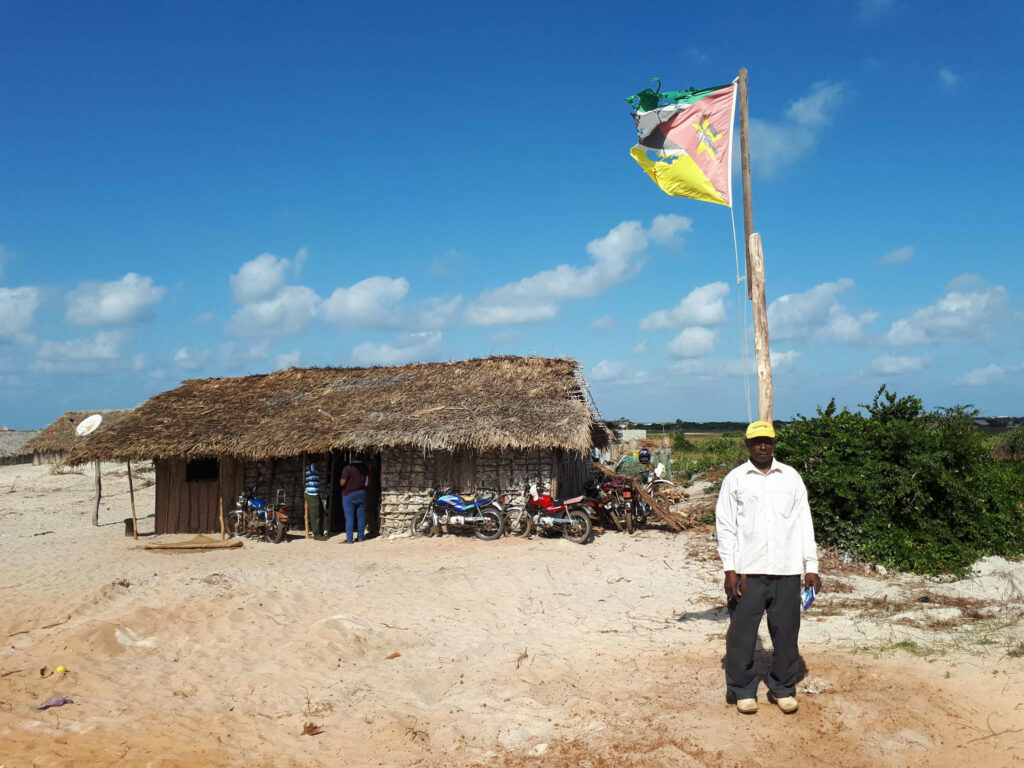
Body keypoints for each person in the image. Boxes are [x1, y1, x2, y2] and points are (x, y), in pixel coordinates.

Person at [715, 420, 822, 715]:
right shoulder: (735, 479)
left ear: (774, 443)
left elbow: (804, 524)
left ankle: (783, 687)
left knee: (786, 633)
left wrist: (810, 566)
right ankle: (742, 690)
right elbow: (726, 527)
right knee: (742, 634)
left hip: (787, 570)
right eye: (757, 441)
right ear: (747, 445)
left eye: (768, 441)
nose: (763, 446)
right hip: (748, 572)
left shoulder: (791, 478)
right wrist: (730, 569)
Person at [339, 455, 371, 543]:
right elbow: (368, 482)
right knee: (361, 516)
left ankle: (349, 539)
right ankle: (360, 537)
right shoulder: (365, 468)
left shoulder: (348, 468)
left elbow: (342, 482)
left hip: (349, 494)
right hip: (361, 493)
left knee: (349, 518)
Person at [305, 460, 327, 539]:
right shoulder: (311, 467)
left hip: (316, 493)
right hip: (311, 494)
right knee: (315, 515)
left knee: (321, 513)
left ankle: (320, 532)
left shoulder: (314, 469)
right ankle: (317, 535)